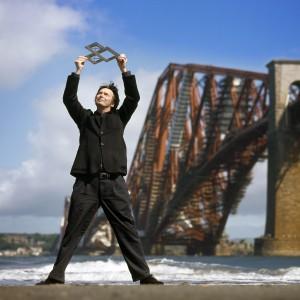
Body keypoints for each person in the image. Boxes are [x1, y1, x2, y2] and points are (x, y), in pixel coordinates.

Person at [36, 54, 163, 285]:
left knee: (127, 230)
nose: (100, 95)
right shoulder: (85, 119)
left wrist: (124, 69)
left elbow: (133, 97)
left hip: (115, 183)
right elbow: (69, 99)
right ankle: (55, 277)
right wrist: (77, 72)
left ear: (113, 102)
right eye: (99, 93)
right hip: (86, 183)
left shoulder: (120, 118)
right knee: (73, 231)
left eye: (105, 94)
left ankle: (144, 276)